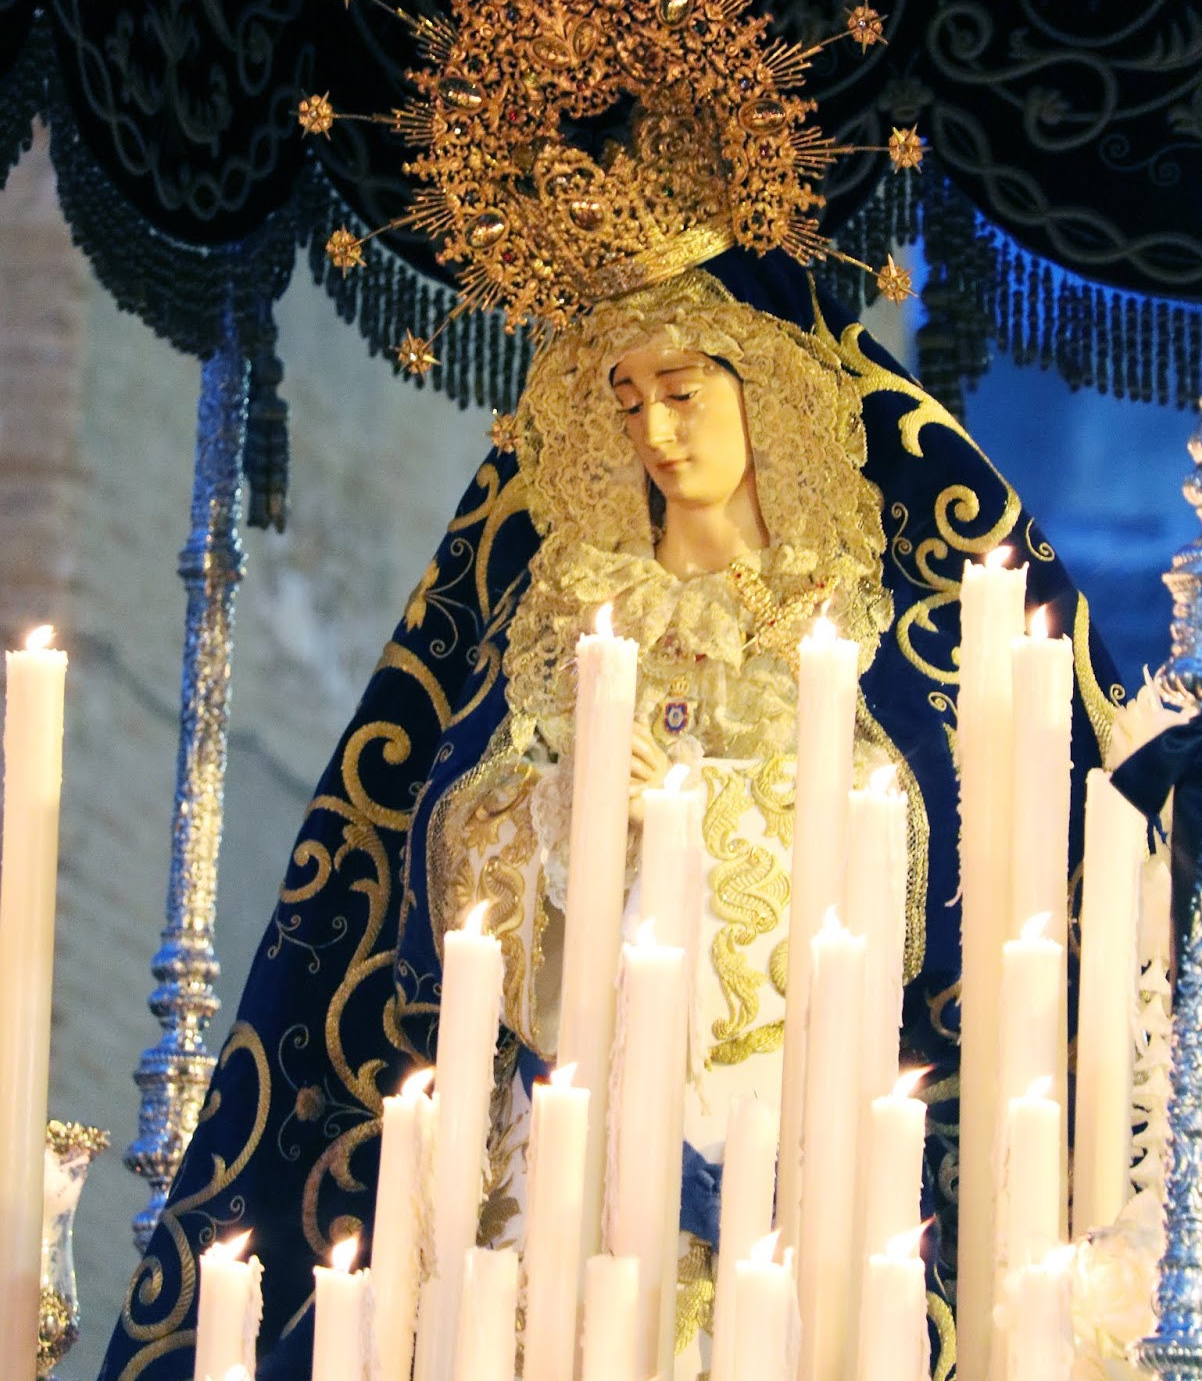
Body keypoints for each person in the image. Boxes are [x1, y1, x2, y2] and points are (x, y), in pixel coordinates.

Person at [99, 252, 1121, 1381]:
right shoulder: (568, 615)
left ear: (766, 389)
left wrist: (695, 809)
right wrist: (565, 812)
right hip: (566, 1124)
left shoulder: (851, 624)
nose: (657, 433)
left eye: (683, 391)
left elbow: (915, 870)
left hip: (772, 1110)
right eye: (627, 402)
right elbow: (449, 869)